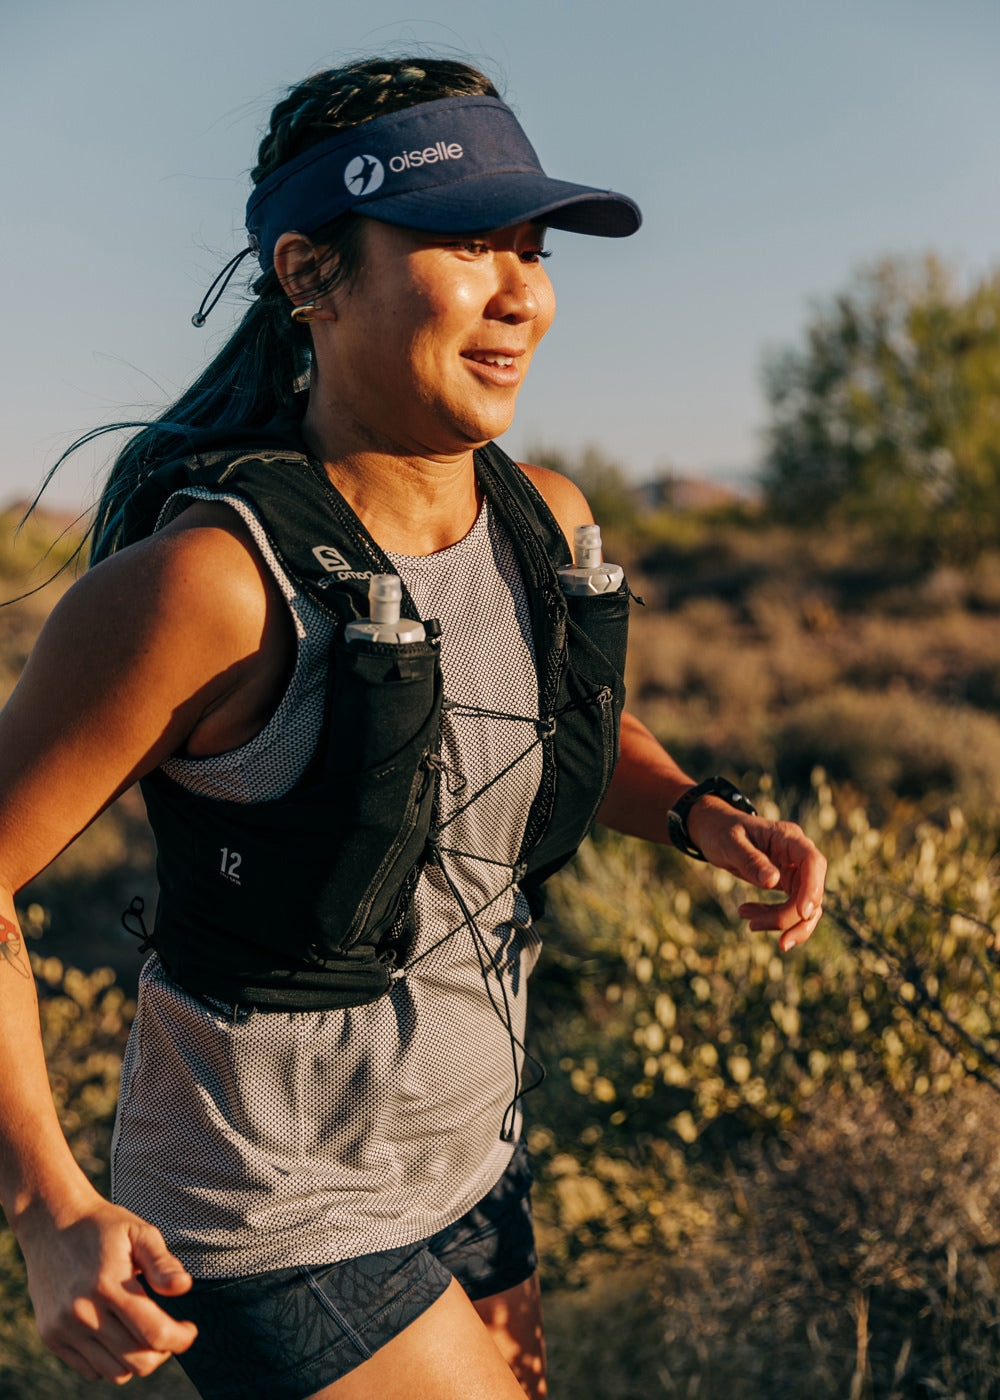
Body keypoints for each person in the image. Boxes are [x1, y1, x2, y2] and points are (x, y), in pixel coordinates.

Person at [0, 57, 826, 1400]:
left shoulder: (540, 518)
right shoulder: (210, 586)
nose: (519, 291)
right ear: (309, 277)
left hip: (469, 1165)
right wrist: (47, 1208)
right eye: (463, 241)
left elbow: (537, 717)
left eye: (531, 248)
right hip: (273, 1210)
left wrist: (695, 810)